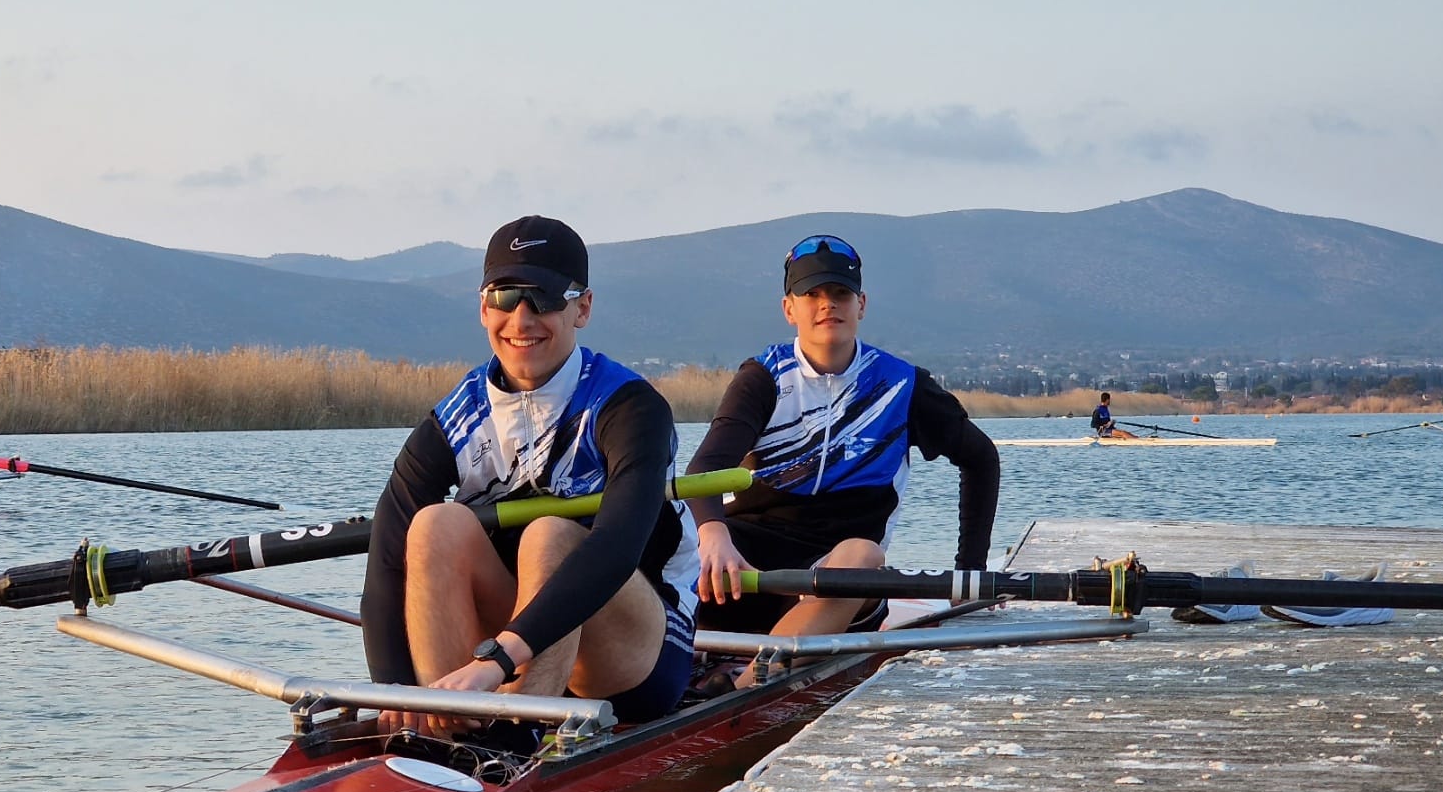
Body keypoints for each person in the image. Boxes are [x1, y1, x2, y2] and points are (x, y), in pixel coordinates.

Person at [359, 215, 700, 748]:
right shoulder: (456, 416)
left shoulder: (630, 407)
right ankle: (445, 725)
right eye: (505, 296)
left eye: (544, 297)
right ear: (482, 308)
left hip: (638, 657)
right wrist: (392, 691)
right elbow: (386, 556)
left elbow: (615, 547)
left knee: (550, 534)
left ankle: (520, 737)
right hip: (513, 647)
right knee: (432, 527)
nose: (522, 317)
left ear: (581, 307)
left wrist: (502, 655)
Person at [685, 234, 1001, 687]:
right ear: (789, 309)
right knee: (662, 530)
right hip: (751, 571)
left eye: (839, 293)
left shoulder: (901, 385)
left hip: (840, 577)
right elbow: (704, 472)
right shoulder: (763, 379)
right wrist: (712, 534)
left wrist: (970, 572)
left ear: (861, 304)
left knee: (863, 553)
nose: (826, 305)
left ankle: (739, 690)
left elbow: (982, 459)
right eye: (810, 294)